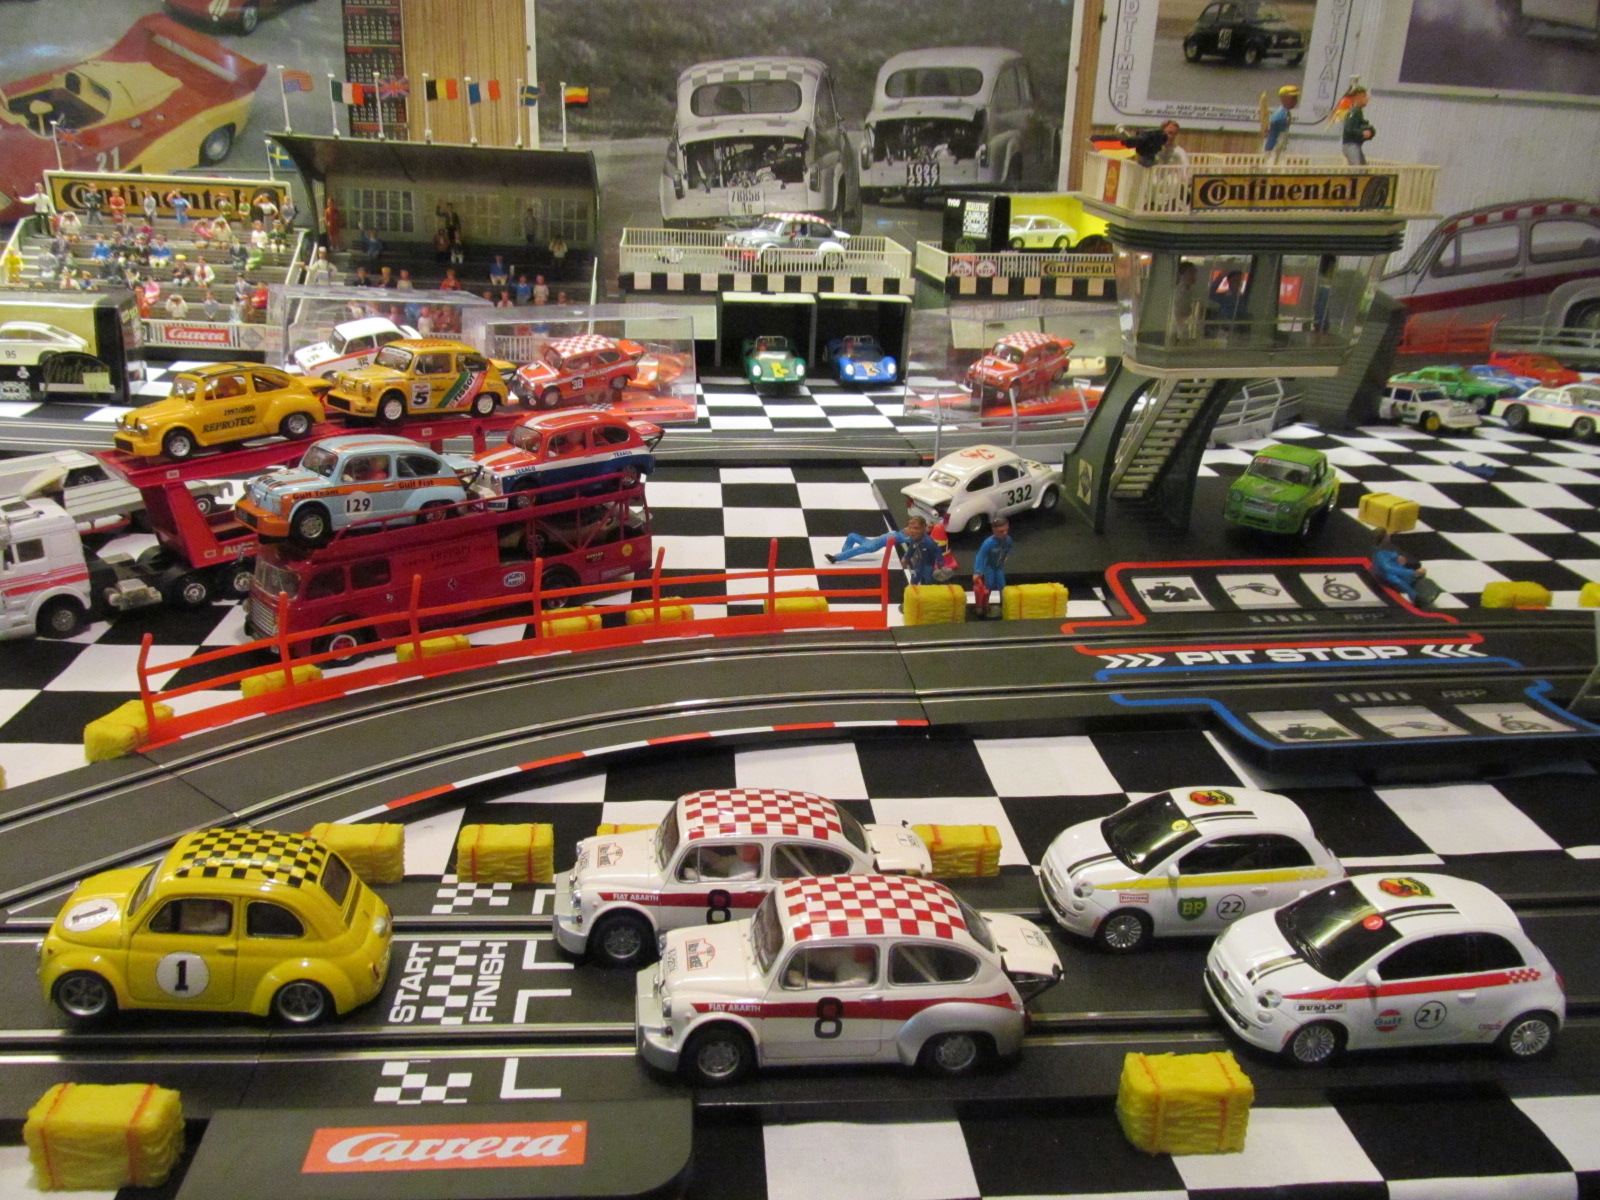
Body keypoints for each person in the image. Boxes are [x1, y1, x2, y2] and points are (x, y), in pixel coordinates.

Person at [972, 517, 1013, 617]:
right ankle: (984, 606)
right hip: (989, 567)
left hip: (999, 567)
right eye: (1001, 531)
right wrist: (977, 571)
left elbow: (1010, 548)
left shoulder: (1008, 540)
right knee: (988, 586)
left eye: (1006, 530)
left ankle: (1004, 605)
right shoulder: (988, 543)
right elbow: (980, 556)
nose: (1005, 533)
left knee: (1003, 587)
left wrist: (1007, 556)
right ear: (994, 531)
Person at [1372, 531, 1427, 604]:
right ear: (1383, 539)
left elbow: (1390, 554)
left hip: (1393, 568)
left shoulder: (1384, 548)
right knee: (1396, 579)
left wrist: (1397, 556)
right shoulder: (1380, 553)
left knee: (1401, 572)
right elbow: (1388, 569)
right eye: (1386, 536)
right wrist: (1412, 572)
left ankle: (1413, 584)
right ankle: (1415, 596)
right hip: (1385, 574)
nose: (1389, 536)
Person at [1338, 84, 1375, 166]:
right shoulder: (1354, 112)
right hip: (1351, 145)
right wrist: (1362, 132)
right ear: (1358, 97)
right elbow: (1349, 128)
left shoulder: (1358, 112)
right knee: (1357, 168)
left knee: (1363, 167)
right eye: (1364, 96)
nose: (1367, 99)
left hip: (1356, 145)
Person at [1261, 85, 1299, 163]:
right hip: (1274, 148)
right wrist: (1270, 147)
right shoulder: (1280, 115)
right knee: (1272, 162)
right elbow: (1274, 133)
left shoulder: (1285, 113)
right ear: (1286, 99)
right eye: (1293, 98)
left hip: (1279, 146)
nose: (1296, 101)